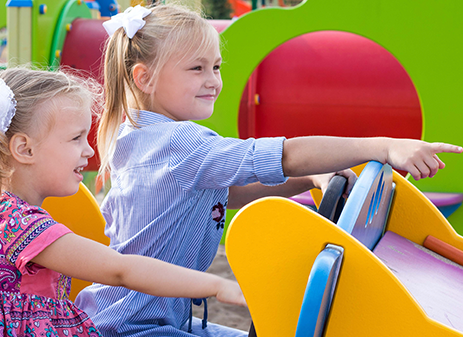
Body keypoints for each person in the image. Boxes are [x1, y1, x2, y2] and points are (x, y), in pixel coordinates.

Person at [75, 3, 463, 337]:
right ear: (144, 78)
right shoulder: (177, 143)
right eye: (196, 69)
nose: (213, 81)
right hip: (135, 327)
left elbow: (229, 194)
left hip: (145, 318)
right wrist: (383, 146)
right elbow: (287, 154)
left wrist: (308, 179)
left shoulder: (144, 133)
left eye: (216, 67)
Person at [0, 67, 247, 337]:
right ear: (24, 149)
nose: (89, 150)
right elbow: (121, 269)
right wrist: (218, 286)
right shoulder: (17, 222)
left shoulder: (12, 215)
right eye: (75, 138)